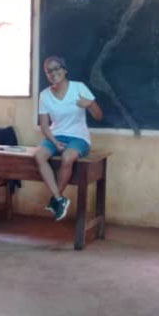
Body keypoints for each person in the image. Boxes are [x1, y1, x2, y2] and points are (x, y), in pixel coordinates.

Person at [35, 55, 103, 221]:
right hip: (55, 135)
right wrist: (53, 141)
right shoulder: (44, 95)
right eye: (48, 71)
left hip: (78, 137)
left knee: (67, 157)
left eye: (56, 68)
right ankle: (59, 199)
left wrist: (90, 105)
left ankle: (55, 200)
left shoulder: (79, 88)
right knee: (38, 156)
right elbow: (44, 125)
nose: (53, 73)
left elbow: (99, 116)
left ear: (64, 71)